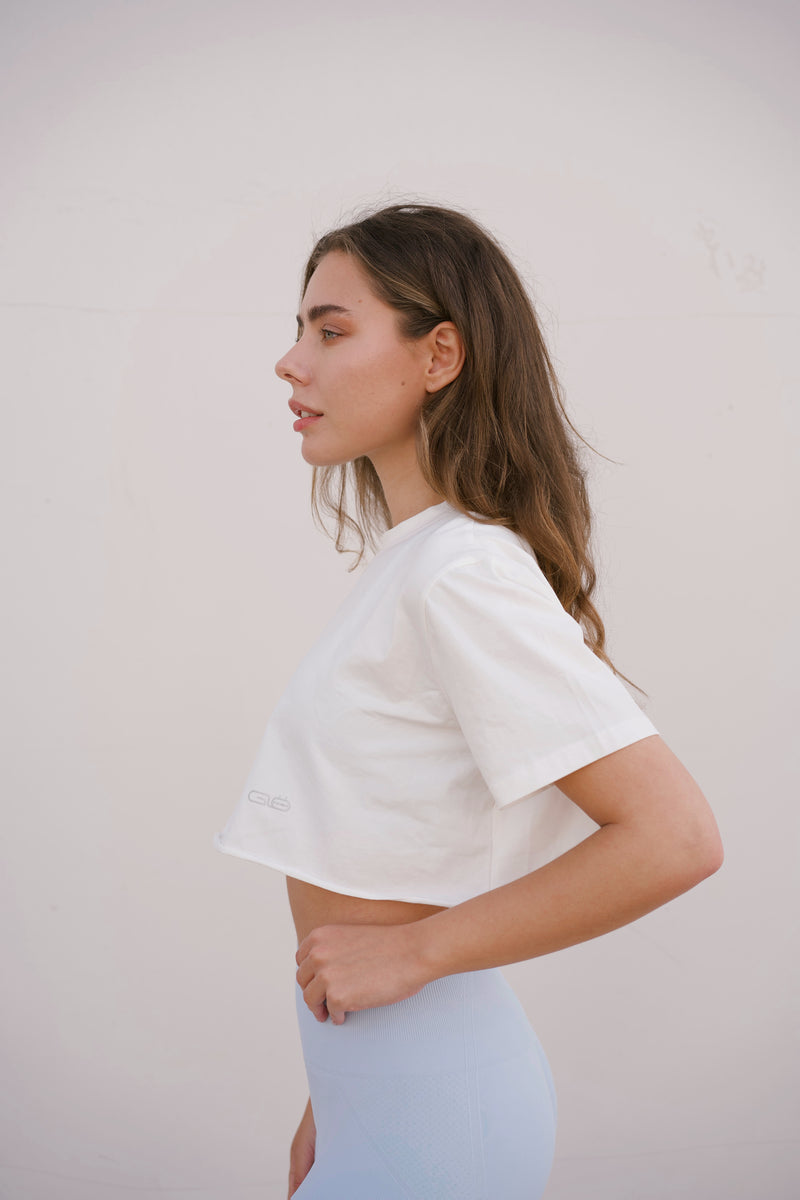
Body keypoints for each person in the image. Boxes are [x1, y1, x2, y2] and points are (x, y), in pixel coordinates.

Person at [213, 202, 723, 1199]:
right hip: (390, 1097)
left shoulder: (460, 570)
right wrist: (341, 1091)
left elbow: (674, 837)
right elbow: (390, 849)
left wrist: (412, 956)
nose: (290, 362)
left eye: (330, 329)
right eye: (298, 330)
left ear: (438, 354)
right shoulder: (416, 565)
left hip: (437, 1121)